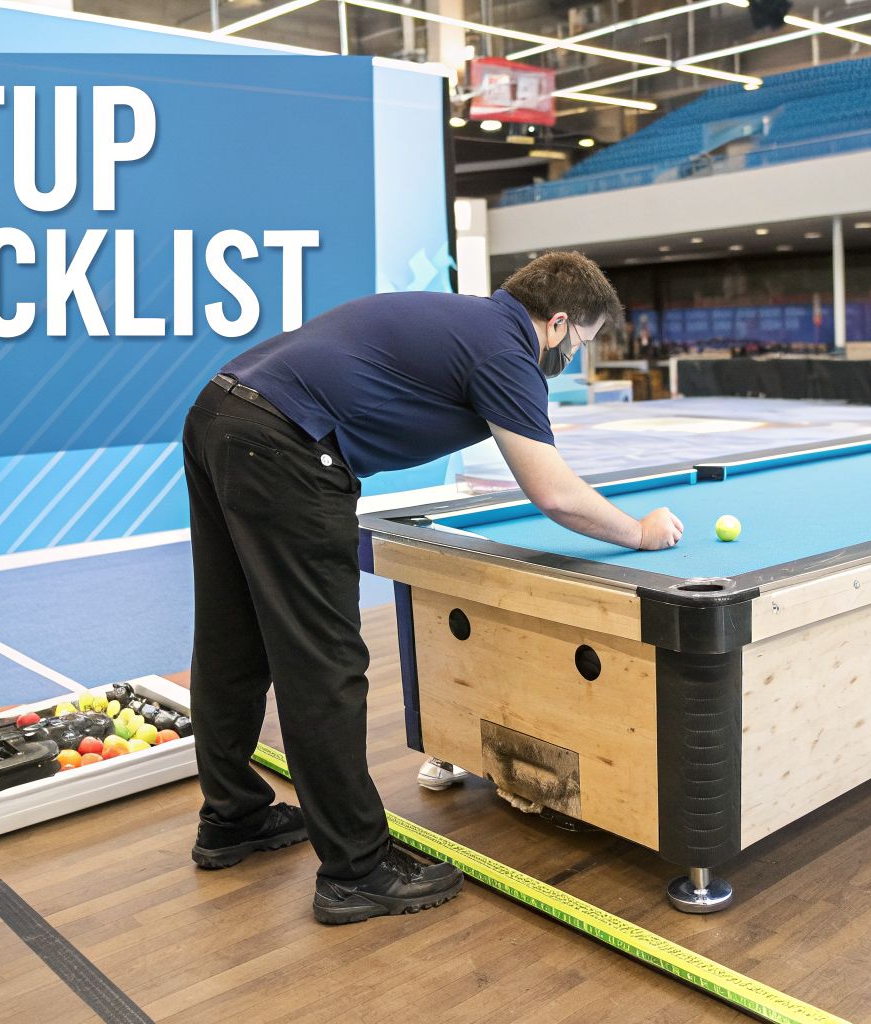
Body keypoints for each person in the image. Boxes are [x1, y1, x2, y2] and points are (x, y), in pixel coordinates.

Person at [181, 251, 685, 925]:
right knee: (322, 662)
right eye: (582, 343)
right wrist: (640, 533)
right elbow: (555, 493)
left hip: (219, 416)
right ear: (558, 322)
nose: (574, 359)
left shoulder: (469, 323)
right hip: (284, 446)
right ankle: (356, 870)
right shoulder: (507, 350)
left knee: (232, 639)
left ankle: (233, 818)